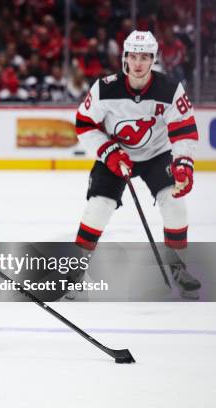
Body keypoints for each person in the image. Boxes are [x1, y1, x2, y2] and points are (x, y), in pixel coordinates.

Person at [73, 31, 200, 299]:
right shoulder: (105, 88)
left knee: (175, 204)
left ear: (153, 59)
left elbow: (184, 130)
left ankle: (177, 265)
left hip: (157, 154)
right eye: (133, 56)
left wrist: (183, 165)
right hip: (117, 154)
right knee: (98, 208)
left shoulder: (169, 88)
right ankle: (76, 270)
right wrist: (109, 152)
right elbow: (85, 124)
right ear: (125, 58)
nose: (138, 63)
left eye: (145, 57)